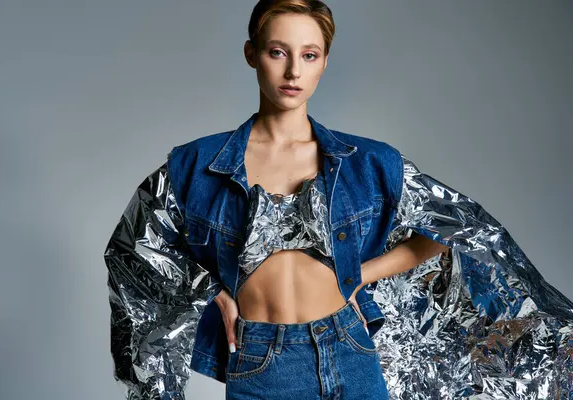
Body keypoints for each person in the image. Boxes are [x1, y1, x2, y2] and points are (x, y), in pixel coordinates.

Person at [104, 1, 573, 399]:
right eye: (277, 52)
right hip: (261, 360)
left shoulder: (369, 162)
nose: (293, 71)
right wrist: (211, 290)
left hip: (350, 347)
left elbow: (453, 228)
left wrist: (361, 275)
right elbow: (136, 252)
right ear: (252, 55)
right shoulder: (196, 163)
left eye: (309, 55)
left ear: (325, 61)